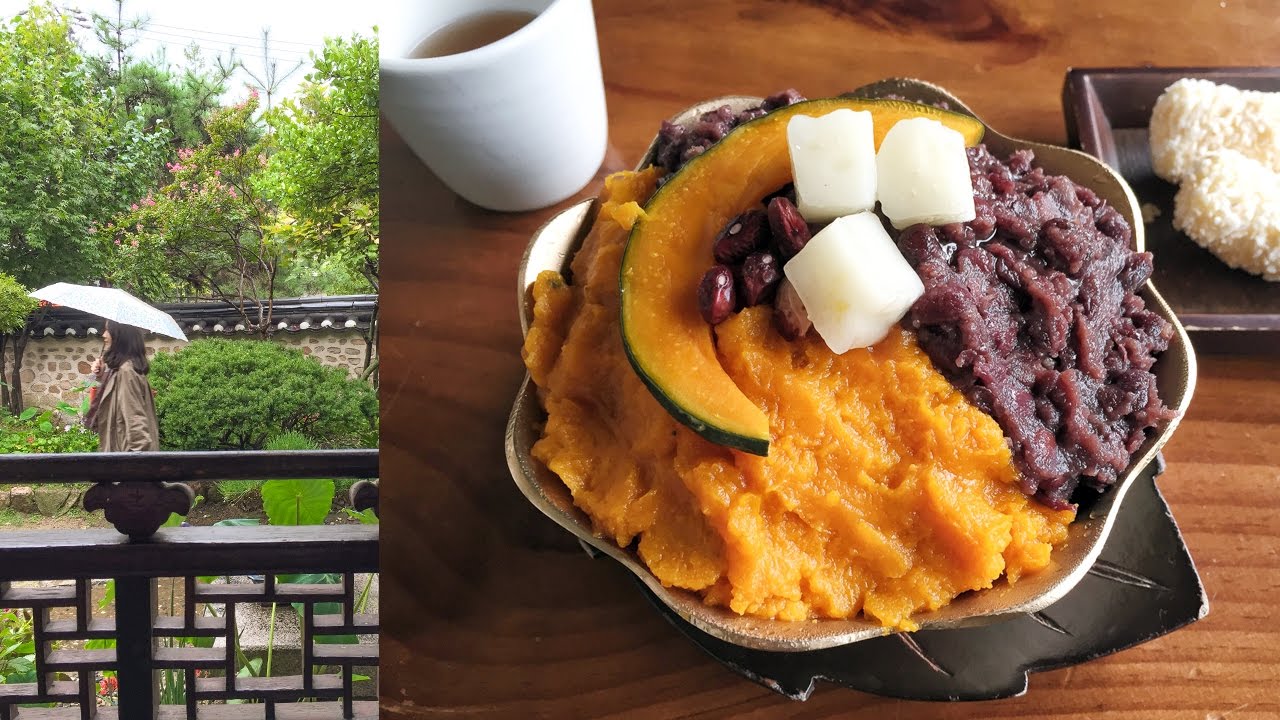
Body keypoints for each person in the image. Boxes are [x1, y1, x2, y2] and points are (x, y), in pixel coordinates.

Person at [84, 320, 160, 452]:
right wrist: (103, 375)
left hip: (125, 461)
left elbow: (135, 420)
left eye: (108, 330)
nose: (104, 335)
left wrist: (136, 463)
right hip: (121, 457)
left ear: (120, 335)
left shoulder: (127, 372)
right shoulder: (122, 370)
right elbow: (117, 401)